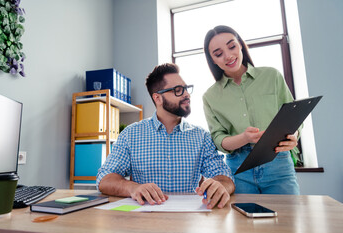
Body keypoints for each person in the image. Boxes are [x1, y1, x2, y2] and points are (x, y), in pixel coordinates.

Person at [96, 63, 235, 209]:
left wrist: (221, 186)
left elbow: (225, 177)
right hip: (145, 218)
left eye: (186, 89)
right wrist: (132, 188)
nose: (186, 94)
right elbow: (104, 179)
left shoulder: (202, 136)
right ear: (158, 98)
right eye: (178, 90)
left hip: (189, 220)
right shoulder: (130, 135)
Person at [202, 25, 300, 194]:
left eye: (231, 46)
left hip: (278, 163)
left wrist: (293, 136)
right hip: (239, 169)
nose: (228, 56)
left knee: (288, 219)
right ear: (213, 60)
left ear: (240, 44)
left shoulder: (271, 76)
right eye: (218, 54)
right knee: (242, 220)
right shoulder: (210, 96)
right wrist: (244, 138)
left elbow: (293, 117)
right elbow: (219, 139)